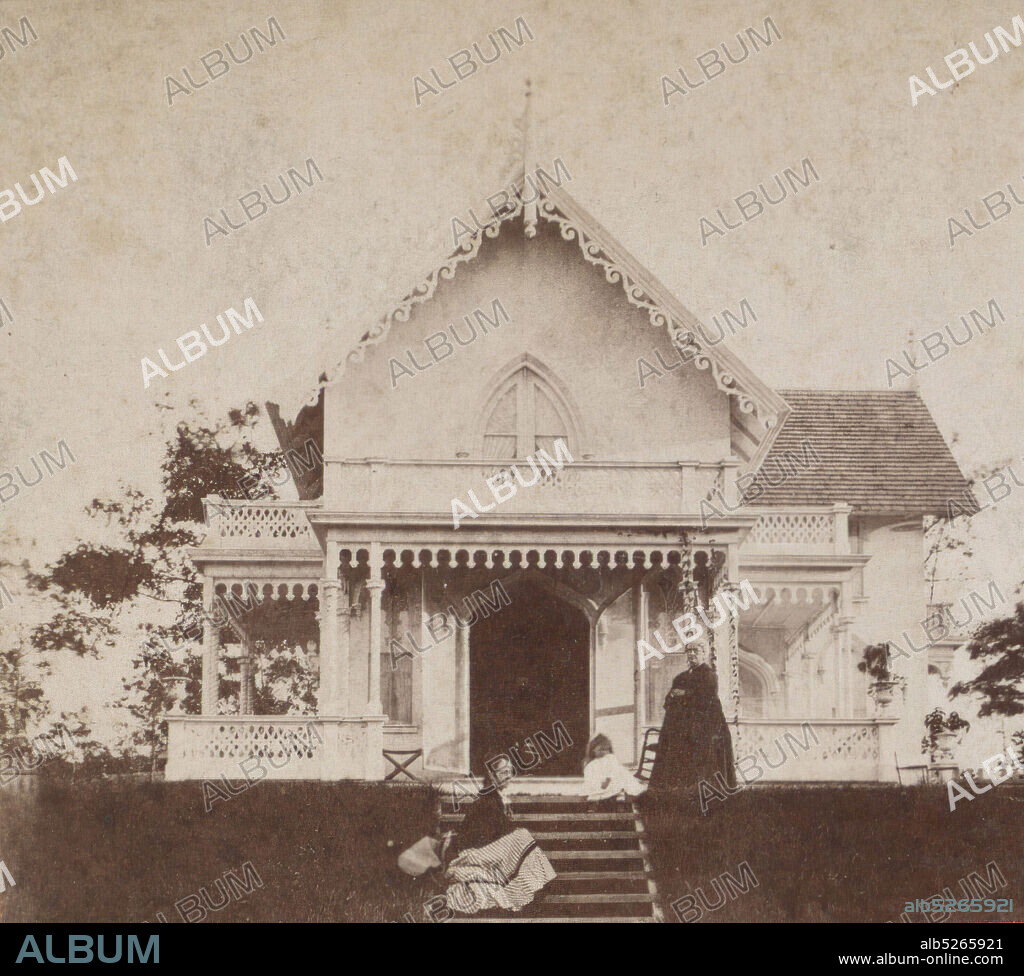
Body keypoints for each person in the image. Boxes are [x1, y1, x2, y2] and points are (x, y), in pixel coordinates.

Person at [443, 757, 556, 915]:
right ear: (492, 774)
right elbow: (487, 836)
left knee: (522, 837)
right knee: (522, 836)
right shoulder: (487, 800)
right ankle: (542, 882)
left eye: (510, 771)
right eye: (503, 772)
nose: (508, 775)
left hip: (489, 851)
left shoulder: (495, 798)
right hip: (475, 854)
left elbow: (501, 832)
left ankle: (540, 883)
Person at [647, 662, 735, 795]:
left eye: (696, 651)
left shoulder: (708, 675)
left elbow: (705, 700)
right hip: (680, 728)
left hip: (702, 729)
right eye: (689, 651)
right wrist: (671, 695)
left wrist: (684, 693)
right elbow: (668, 702)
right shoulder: (681, 677)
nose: (692, 654)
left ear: (703, 653)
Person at [582, 733, 647, 802]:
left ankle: (622, 794)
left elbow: (613, 770)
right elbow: (589, 775)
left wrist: (608, 779)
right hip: (599, 784)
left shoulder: (610, 758)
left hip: (610, 780)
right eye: (601, 750)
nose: (604, 752)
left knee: (622, 775)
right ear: (593, 750)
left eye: (606, 750)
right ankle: (599, 795)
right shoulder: (592, 763)